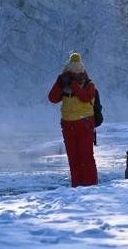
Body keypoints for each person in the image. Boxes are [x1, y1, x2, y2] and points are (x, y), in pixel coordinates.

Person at [48, 52, 98, 187]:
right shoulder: (64, 85)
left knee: (85, 156)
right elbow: (52, 98)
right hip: (68, 124)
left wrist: (73, 84)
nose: (73, 75)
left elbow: (85, 98)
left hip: (84, 122)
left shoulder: (89, 84)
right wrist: (59, 83)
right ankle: (76, 185)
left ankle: (90, 185)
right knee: (73, 157)